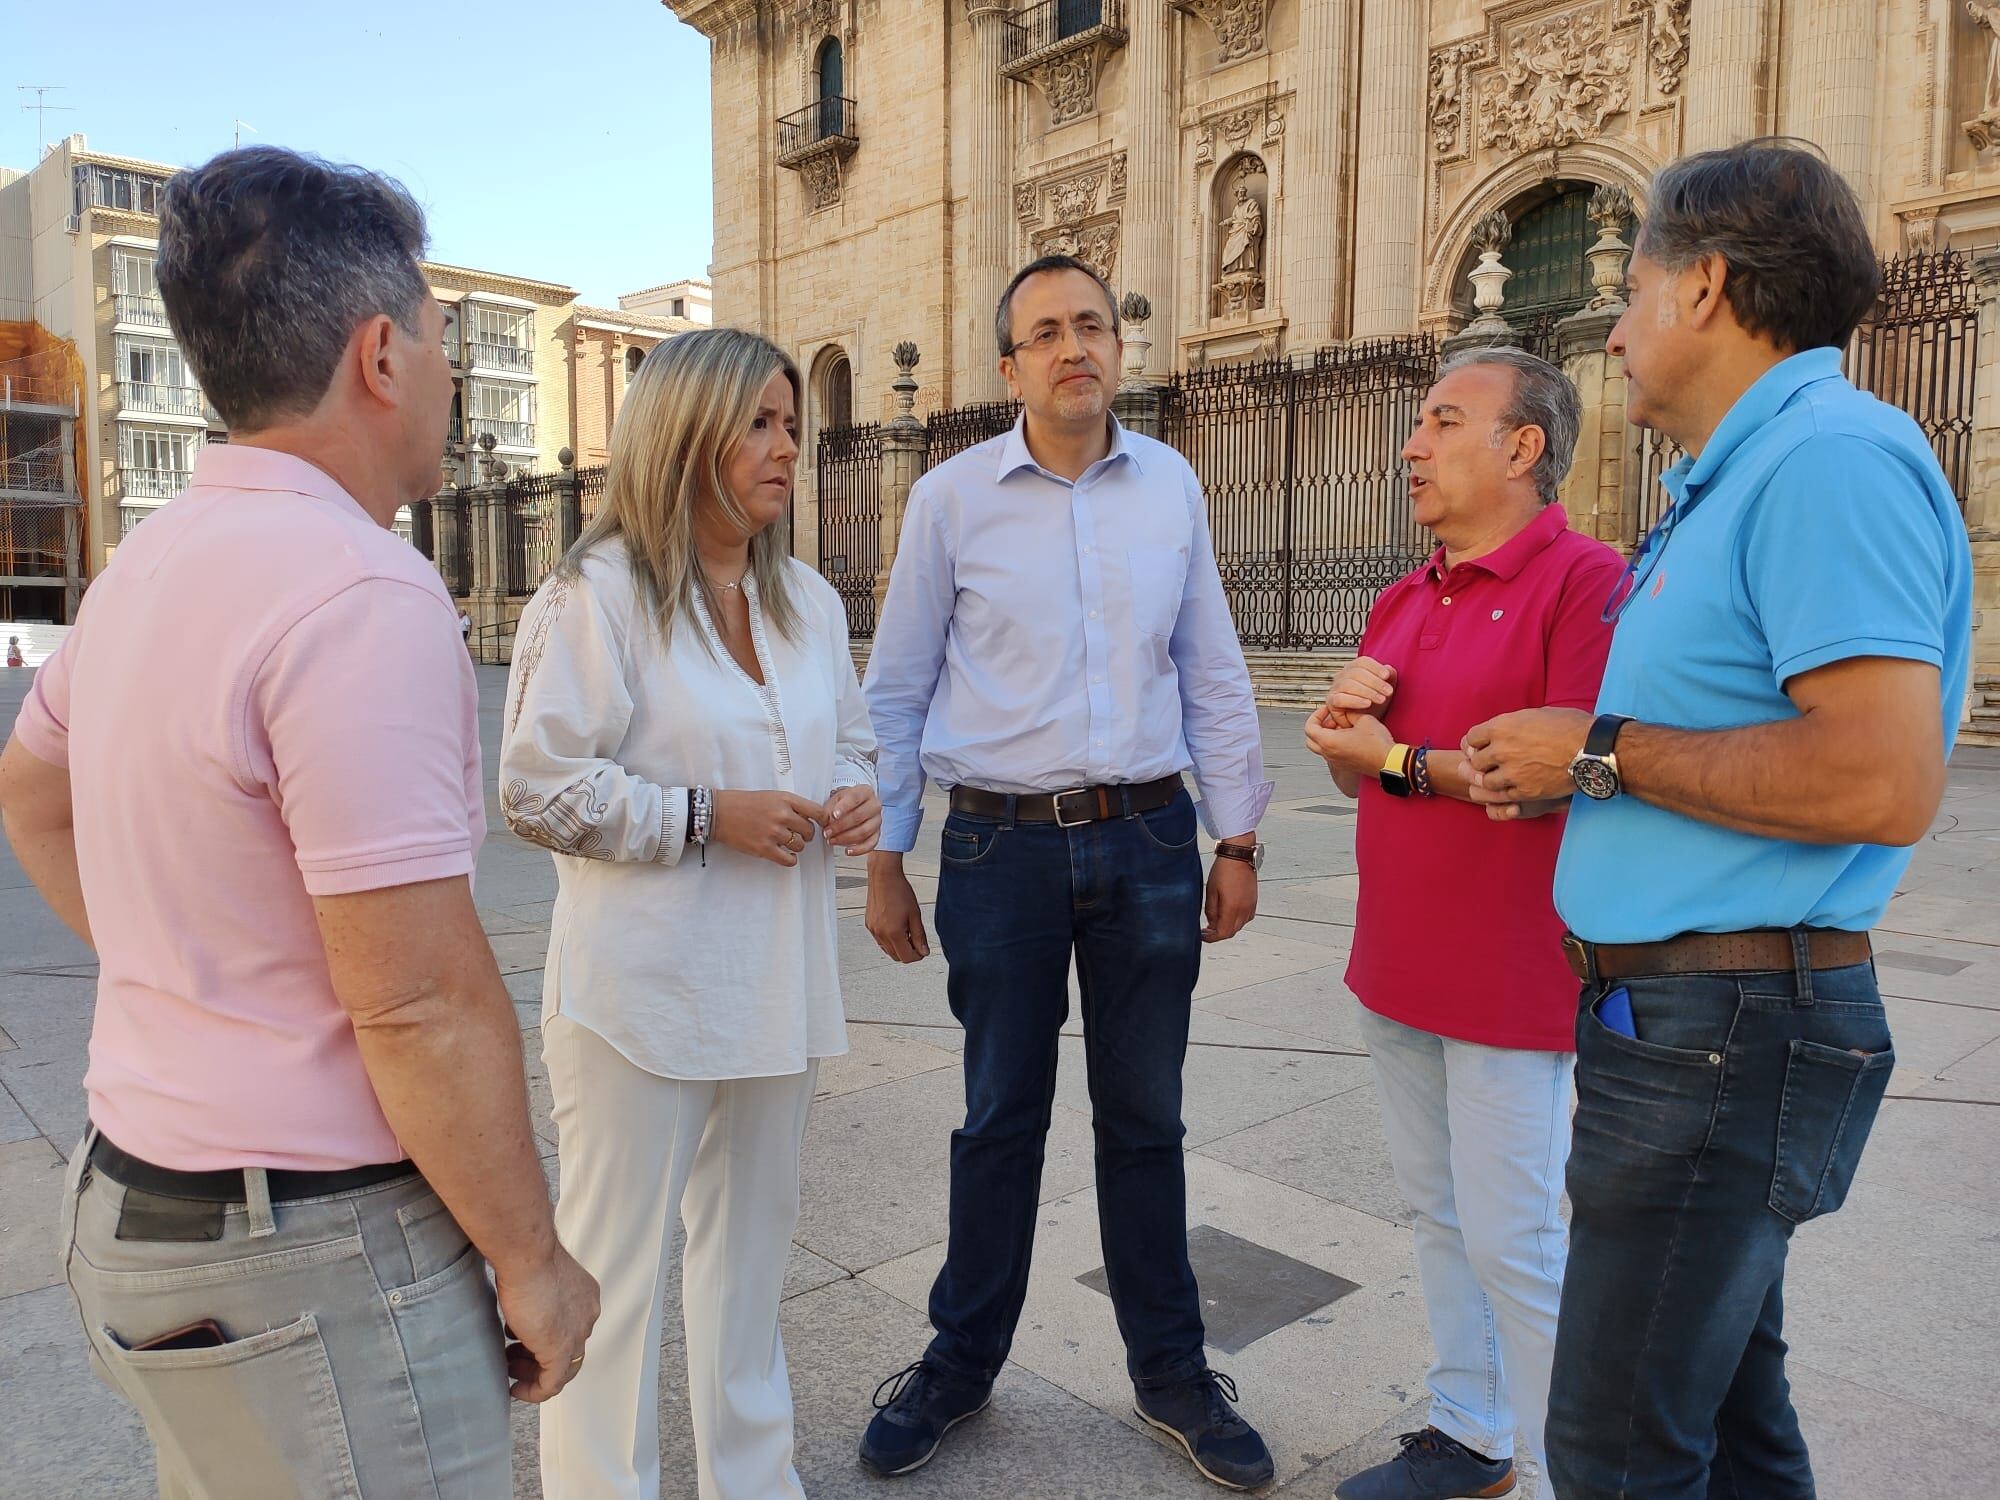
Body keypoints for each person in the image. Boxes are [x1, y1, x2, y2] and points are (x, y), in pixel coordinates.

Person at [0, 146, 598, 1497]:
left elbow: (30, 790)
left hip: (138, 1210)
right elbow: (419, 1004)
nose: (446, 371)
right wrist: (532, 1261)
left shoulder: (149, 561)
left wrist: (184, 972)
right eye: (441, 338)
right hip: (310, 1256)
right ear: (382, 354)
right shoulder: (358, 595)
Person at [1464, 140, 1971, 1499]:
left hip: (1724, 1034)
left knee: (1618, 1450)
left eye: (1628, 294)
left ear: (1708, 288)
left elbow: (1881, 779)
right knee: (1733, 1432)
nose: (1612, 333)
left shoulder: (1828, 463)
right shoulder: (1743, 475)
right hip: (1694, 1031)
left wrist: (1606, 752)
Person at [859, 254, 1276, 1491]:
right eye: (1042, 333)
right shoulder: (947, 501)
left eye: (1089, 324)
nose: (1071, 346)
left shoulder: (1171, 489)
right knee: (999, 1119)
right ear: (1009, 367)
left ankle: (1172, 1375)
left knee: (1145, 1121)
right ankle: (958, 1362)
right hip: (995, 847)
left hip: (1149, 838)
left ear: (1117, 347)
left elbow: (1210, 667)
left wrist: (1236, 835)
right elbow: (896, 688)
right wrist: (887, 857)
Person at [499, 327, 880, 1500]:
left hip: (774, 978)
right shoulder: (593, 595)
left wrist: (859, 795)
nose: (785, 449)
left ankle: (753, 1485)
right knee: (607, 1280)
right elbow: (536, 787)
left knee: (750, 1267)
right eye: (759, 423)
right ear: (685, 433)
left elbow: (851, 735)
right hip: (639, 993)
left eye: (791, 427)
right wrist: (706, 815)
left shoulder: (805, 601)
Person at [1304, 347, 1621, 1500]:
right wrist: (1349, 738)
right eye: (1416, 423)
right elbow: (1365, 777)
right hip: (1395, 962)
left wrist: (1386, 758)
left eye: (1442, 422)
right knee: (1438, 1217)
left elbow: (1544, 775)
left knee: (1518, 1241)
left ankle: (1561, 1473)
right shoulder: (1400, 595)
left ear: (1521, 447)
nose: (1410, 445)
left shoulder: (1585, 583)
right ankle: (1468, 1429)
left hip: (1509, 974)